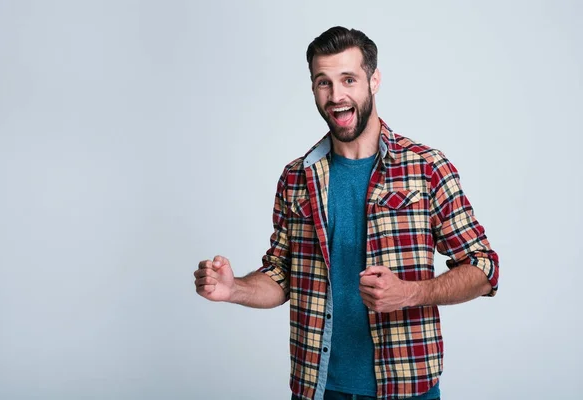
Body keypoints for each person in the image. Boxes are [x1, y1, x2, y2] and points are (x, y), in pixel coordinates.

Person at [194, 26, 499, 400]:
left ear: (374, 81)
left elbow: (483, 268)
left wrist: (409, 293)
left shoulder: (426, 168)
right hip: (318, 388)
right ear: (313, 89)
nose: (336, 95)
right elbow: (282, 275)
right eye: (324, 82)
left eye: (348, 79)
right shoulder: (297, 177)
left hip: (407, 388)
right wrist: (234, 289)